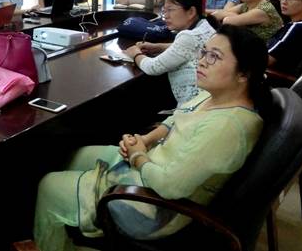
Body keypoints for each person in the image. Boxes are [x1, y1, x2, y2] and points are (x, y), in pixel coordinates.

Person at [33, 25, 267, 251]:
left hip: (156, 210)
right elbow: (177, 117)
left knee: (48, 186)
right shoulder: (215, 95)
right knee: (76, 155)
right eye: (203, 52)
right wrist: (146, 140)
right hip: (151, 165)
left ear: (244, 74)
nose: (202, 61)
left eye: (214, 56)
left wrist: (138, 156)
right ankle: (73, 230)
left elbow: (169, 187)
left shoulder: (227, 127)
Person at [123, 0, 216, 104]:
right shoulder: (205, 26)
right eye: (164, 10)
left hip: (192, 106)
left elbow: (153, 67)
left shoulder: (188, 36)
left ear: (191, 12)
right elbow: (194, 48)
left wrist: (135, 53)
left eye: (170, 10)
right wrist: (159, 47)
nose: (165, 16)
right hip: (207, 101)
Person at [212, 0, 283, 43]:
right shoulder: (246, 5)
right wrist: (234, 15)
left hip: (265, 48)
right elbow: (218, 14)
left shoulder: (263, 9)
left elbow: (227, 21)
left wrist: (232, 16)